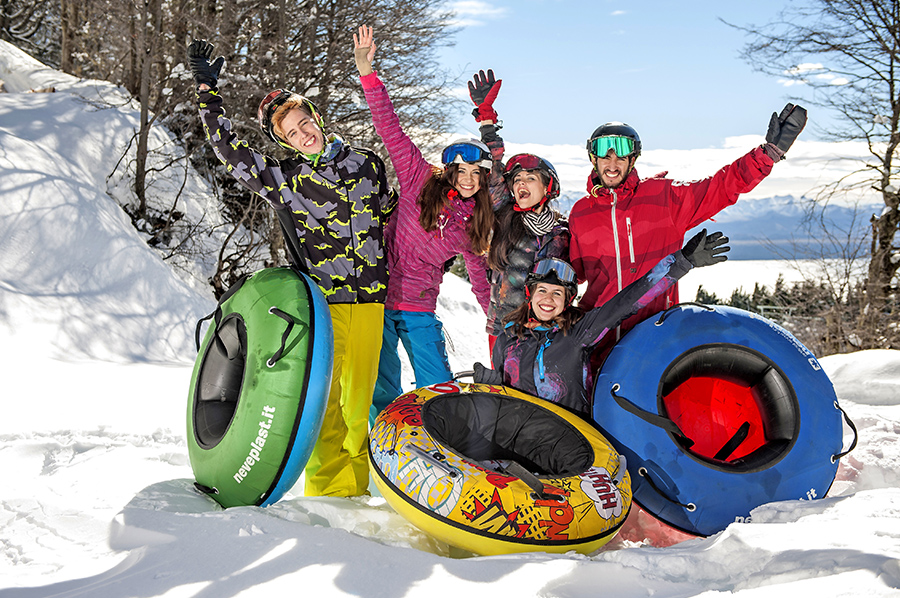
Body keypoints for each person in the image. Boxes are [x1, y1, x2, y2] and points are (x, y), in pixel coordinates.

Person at [187, 39, 396, 498]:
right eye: (291, 133)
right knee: (325, 409)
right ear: (282, 141)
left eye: (306, 123)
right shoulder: (285, 180)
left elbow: (391, 218)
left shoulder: (367, 164)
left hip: (370, 304)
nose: (304, 135)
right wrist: (207, 90)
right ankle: (327, 497)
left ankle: (356, 493)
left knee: (360, 406)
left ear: (317, 120)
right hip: (325, 305)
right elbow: (227, 149)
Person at [569, 105, 807, 365]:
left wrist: (768, 154)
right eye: (605, 153)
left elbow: (720, 187)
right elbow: (568, 277)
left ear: (633, 159)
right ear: (593, 158)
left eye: (622, 153)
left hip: (652, 337)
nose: (612, 163)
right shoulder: (581, 214)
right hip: (596, 344)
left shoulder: (664, 197)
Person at [352, 26, 492, 418]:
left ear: (481, 179)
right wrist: (368, 74)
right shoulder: (417, 179)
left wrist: (495, 320)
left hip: (417, 306)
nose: (467, 179)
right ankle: (383, 442)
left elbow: (480, 277)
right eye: (460, 170)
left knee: (436, 384)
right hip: (378, 297)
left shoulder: (474, 223)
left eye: (475, 174)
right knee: (383, 383)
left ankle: (442, 439)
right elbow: (390, 129)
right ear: (449, 170)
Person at [474, 229, 730, 416]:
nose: (548, 300)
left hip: (570, 439)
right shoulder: (508, 338)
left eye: (557, 293)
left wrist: (681, 262)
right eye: (542, 290)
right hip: (517, 437)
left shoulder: (576, 334)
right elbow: (502, 398)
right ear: (530, 294)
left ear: (568, 301)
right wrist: (489, 387)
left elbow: (627, 302)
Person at [465, 69, 571, 356]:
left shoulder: (559, 235)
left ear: (548, 188)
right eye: (518, 180)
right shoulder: (504, 215)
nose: (522, 183)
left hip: (538, 335)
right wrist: (487, 121)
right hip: (499, 329)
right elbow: (492, 170)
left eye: (531, 178)